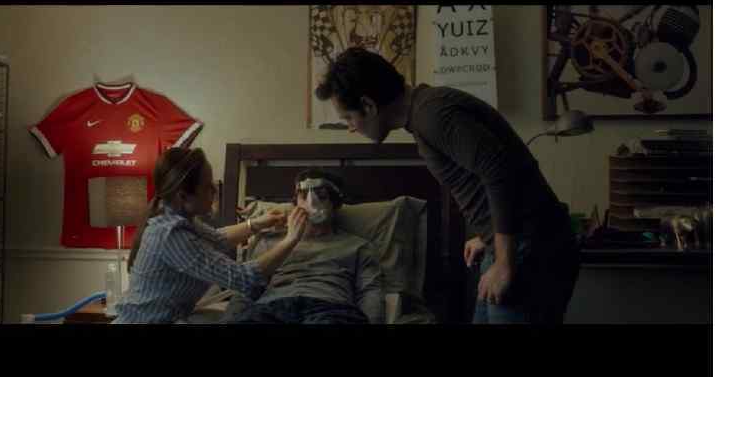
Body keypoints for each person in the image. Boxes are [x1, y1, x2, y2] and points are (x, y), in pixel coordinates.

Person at [315, 47, 579, 324]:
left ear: (368, 106)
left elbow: (500, 172)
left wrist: (504, 261)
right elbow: (492, 172)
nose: (351, 128)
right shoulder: (427, 112)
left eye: (348, 118)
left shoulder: (434, 115)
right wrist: (488, 234)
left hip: (531, 249)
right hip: (518, 244)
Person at [112, 147, 310, 324]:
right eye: (207, 186)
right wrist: (290, 240)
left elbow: (217, 238)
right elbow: (244, 279)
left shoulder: (179, 218)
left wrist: (257, 223)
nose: (214, 190)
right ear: (183, 196)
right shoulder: (170, 235)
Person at [224, 169, 385, 324]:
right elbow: (247, 286)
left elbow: (370, 292)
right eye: (303, 196)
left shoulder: (358, 246)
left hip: (330, 308)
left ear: (335, 204)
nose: (312, 203)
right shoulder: (269, 242)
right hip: (272, 307)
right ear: (295, 203)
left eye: (322, 196)